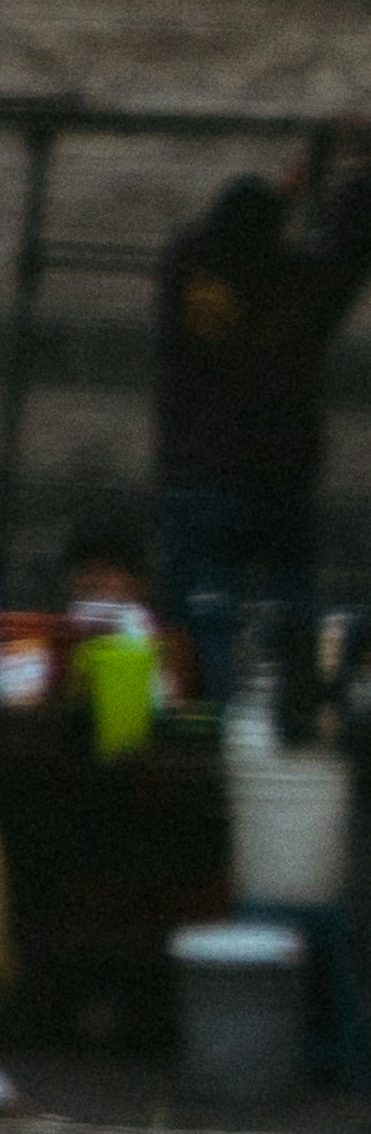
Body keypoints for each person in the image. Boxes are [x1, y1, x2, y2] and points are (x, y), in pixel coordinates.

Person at [156, 123, 371, 712]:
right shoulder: (303, 291)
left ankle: (208, 730)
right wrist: (344, 175)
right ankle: (295, 725)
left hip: (197, 479)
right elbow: (352, 238)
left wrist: (284, 190)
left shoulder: (187, 280)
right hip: (281, 482)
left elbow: (202, 244)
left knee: (200, 622)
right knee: (295, 616)